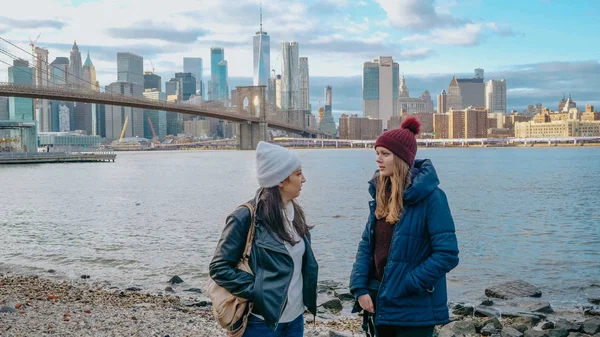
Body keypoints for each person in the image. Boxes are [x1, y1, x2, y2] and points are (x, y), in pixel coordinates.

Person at [349, 117, 460, 337]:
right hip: (379, 303)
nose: (378, 160)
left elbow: (447, 254)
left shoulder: (433, 198)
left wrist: (408, 283)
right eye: (377, 153)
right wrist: (359, 287)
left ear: (400, 159)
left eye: (385, 154)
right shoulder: (382, 195)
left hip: (414, 309)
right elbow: (367, 246)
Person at [209, 141, 318, 337]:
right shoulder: (245, 216)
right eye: (298, 174)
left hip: (295, 319)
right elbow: (219, 268)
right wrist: (258, 290)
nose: (304, 180)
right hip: (260, 323)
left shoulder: (295, 214)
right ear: (281, 180)